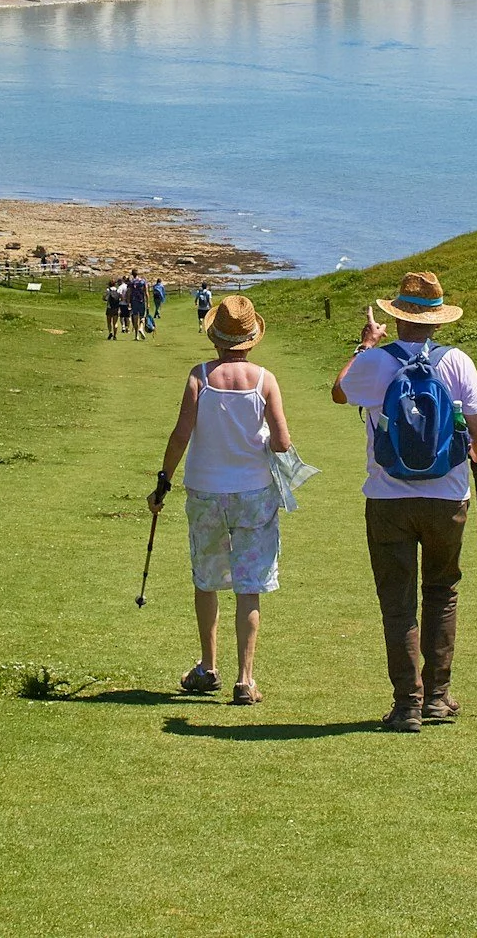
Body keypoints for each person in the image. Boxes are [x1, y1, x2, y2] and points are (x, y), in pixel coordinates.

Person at [331, 269, 477, 733]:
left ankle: (407, 705)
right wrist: (471, 464)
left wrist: (364, 345)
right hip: (447, 497)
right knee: (442, 593)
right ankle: (438, 697)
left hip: (388, 497)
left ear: (396, 318)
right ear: (438, 322)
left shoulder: (376, 362)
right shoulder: (458, 362)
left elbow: (339, 393)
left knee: (397, 603)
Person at [149, 294, 294, 706]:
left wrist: (163, 480)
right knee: (250, 586)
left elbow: (180, 434)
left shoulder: (199, 377)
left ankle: (208, 667)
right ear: (250, 341)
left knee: (207, 579)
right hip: (253, 492)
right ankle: (245, 680)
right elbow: (282, 442)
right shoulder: (265, 380)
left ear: (216, 339)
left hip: (206, 491)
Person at [126, 271, 149, 342]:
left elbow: (129, 293)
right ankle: (141, 328)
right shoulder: (143, 281)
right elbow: (146, 292)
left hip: (134, 301)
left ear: (132, 274)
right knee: (143, 316)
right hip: (141, 301)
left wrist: (128, 302)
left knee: (135, 318)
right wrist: (148, 302)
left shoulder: (131, 282)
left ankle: (136, 335)